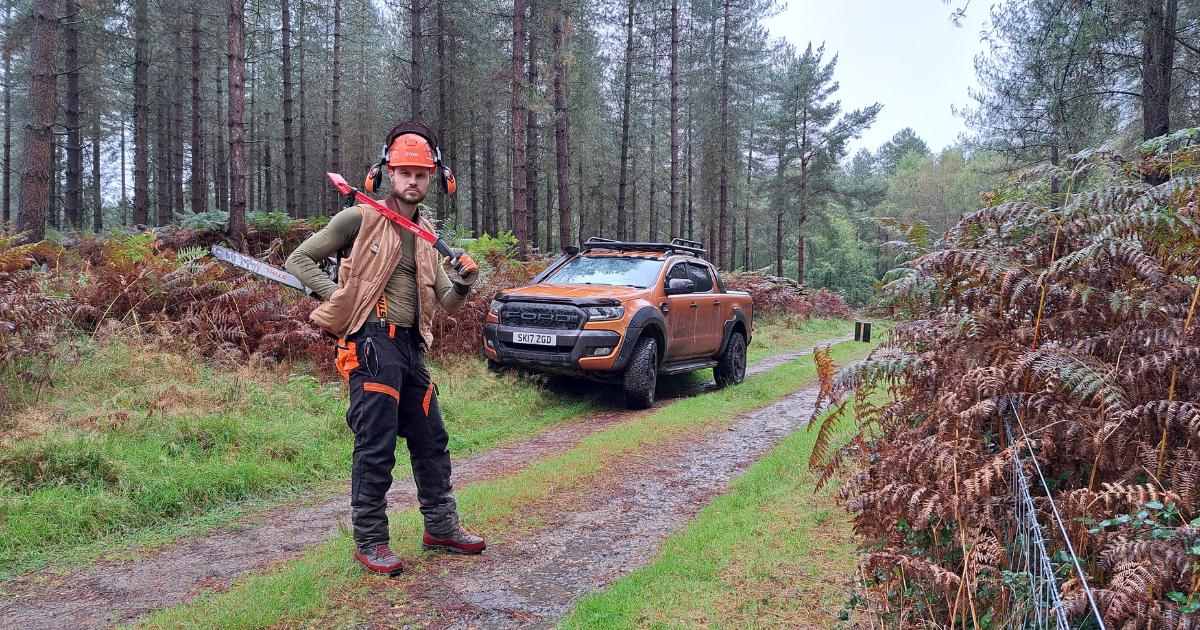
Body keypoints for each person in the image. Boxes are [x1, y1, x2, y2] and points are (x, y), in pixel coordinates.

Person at [285, 122, 484, 576]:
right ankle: (371, 540)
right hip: (373, 344)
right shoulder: (360, 216)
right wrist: (336, 296)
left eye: (421, 174)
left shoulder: (430, 235)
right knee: (375, 445)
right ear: (387, 174)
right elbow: (297, 259)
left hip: (413, 349)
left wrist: (464, 284)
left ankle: (441, 527)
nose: (412, 181)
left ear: (434, 179)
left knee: (432, 440)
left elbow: (443, 307)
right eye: (404, 172)